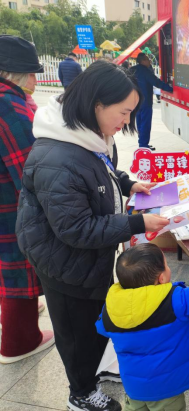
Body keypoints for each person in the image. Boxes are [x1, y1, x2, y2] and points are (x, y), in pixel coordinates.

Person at [16, 60, 170, 411]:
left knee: (91, 323)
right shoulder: (58, 156)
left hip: (83, 259)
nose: (127, 121)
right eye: (124, 111)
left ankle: (91, 371)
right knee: (76, 332)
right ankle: (81, 394)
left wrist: (128, 183)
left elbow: (100, 171)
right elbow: (75, 228)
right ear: (98, 105)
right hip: (64, 264)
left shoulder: (86, 137)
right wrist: (137, 224)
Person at [96, 243, 189, 411]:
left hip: (134, 387)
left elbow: (101, 327)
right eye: (166, 265)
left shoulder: (111, 309)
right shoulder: (175, 300)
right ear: (161, 278)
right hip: (166, 388)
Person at [0, 35, 55, 364]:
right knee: (16, 267)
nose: (36, 79)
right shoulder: (9, 105)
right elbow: (28, 169)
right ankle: (18, 343)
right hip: (9, 204)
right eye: (32, 73)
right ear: (13, 74)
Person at [130, 53, 173, 150]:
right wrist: (170, 89)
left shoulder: (132, 70)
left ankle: (141, 143)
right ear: (143, 61)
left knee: (139, 122)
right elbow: (156, 82)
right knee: (145, 123)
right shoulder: (145, 71)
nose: (149, 61)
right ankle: (143, 145)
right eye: (147, 59)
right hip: (145, 102)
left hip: (134, 101)